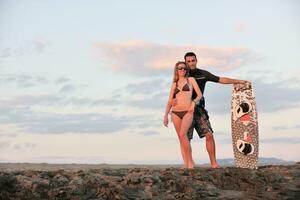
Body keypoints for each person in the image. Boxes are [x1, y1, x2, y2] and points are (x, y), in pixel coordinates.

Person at [183, 52, 249, 168]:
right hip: (184, 109)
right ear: (185, 62)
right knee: (185, 138)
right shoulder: (182, 74)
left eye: (193, 60)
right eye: (188, 61)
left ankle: (214, 163)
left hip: (199, 109)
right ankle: (189, 163)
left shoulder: (203, 74)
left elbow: (220, 79)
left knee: (209, 134)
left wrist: (237, 81)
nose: (191, 63)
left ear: (196, 60)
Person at [163, 61, 202, 169]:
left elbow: (199, 95)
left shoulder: (191, 80)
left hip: (188, 111)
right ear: (176, 70)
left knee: (182, 134)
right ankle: (187, 163)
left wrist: (193, 103)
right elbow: (169, 101)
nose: (182, 70)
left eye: (184, 68)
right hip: (175, 112)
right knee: (181, 138)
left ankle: (190, 163)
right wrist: (166, 115)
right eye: (180, 68)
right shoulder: (174, 84)